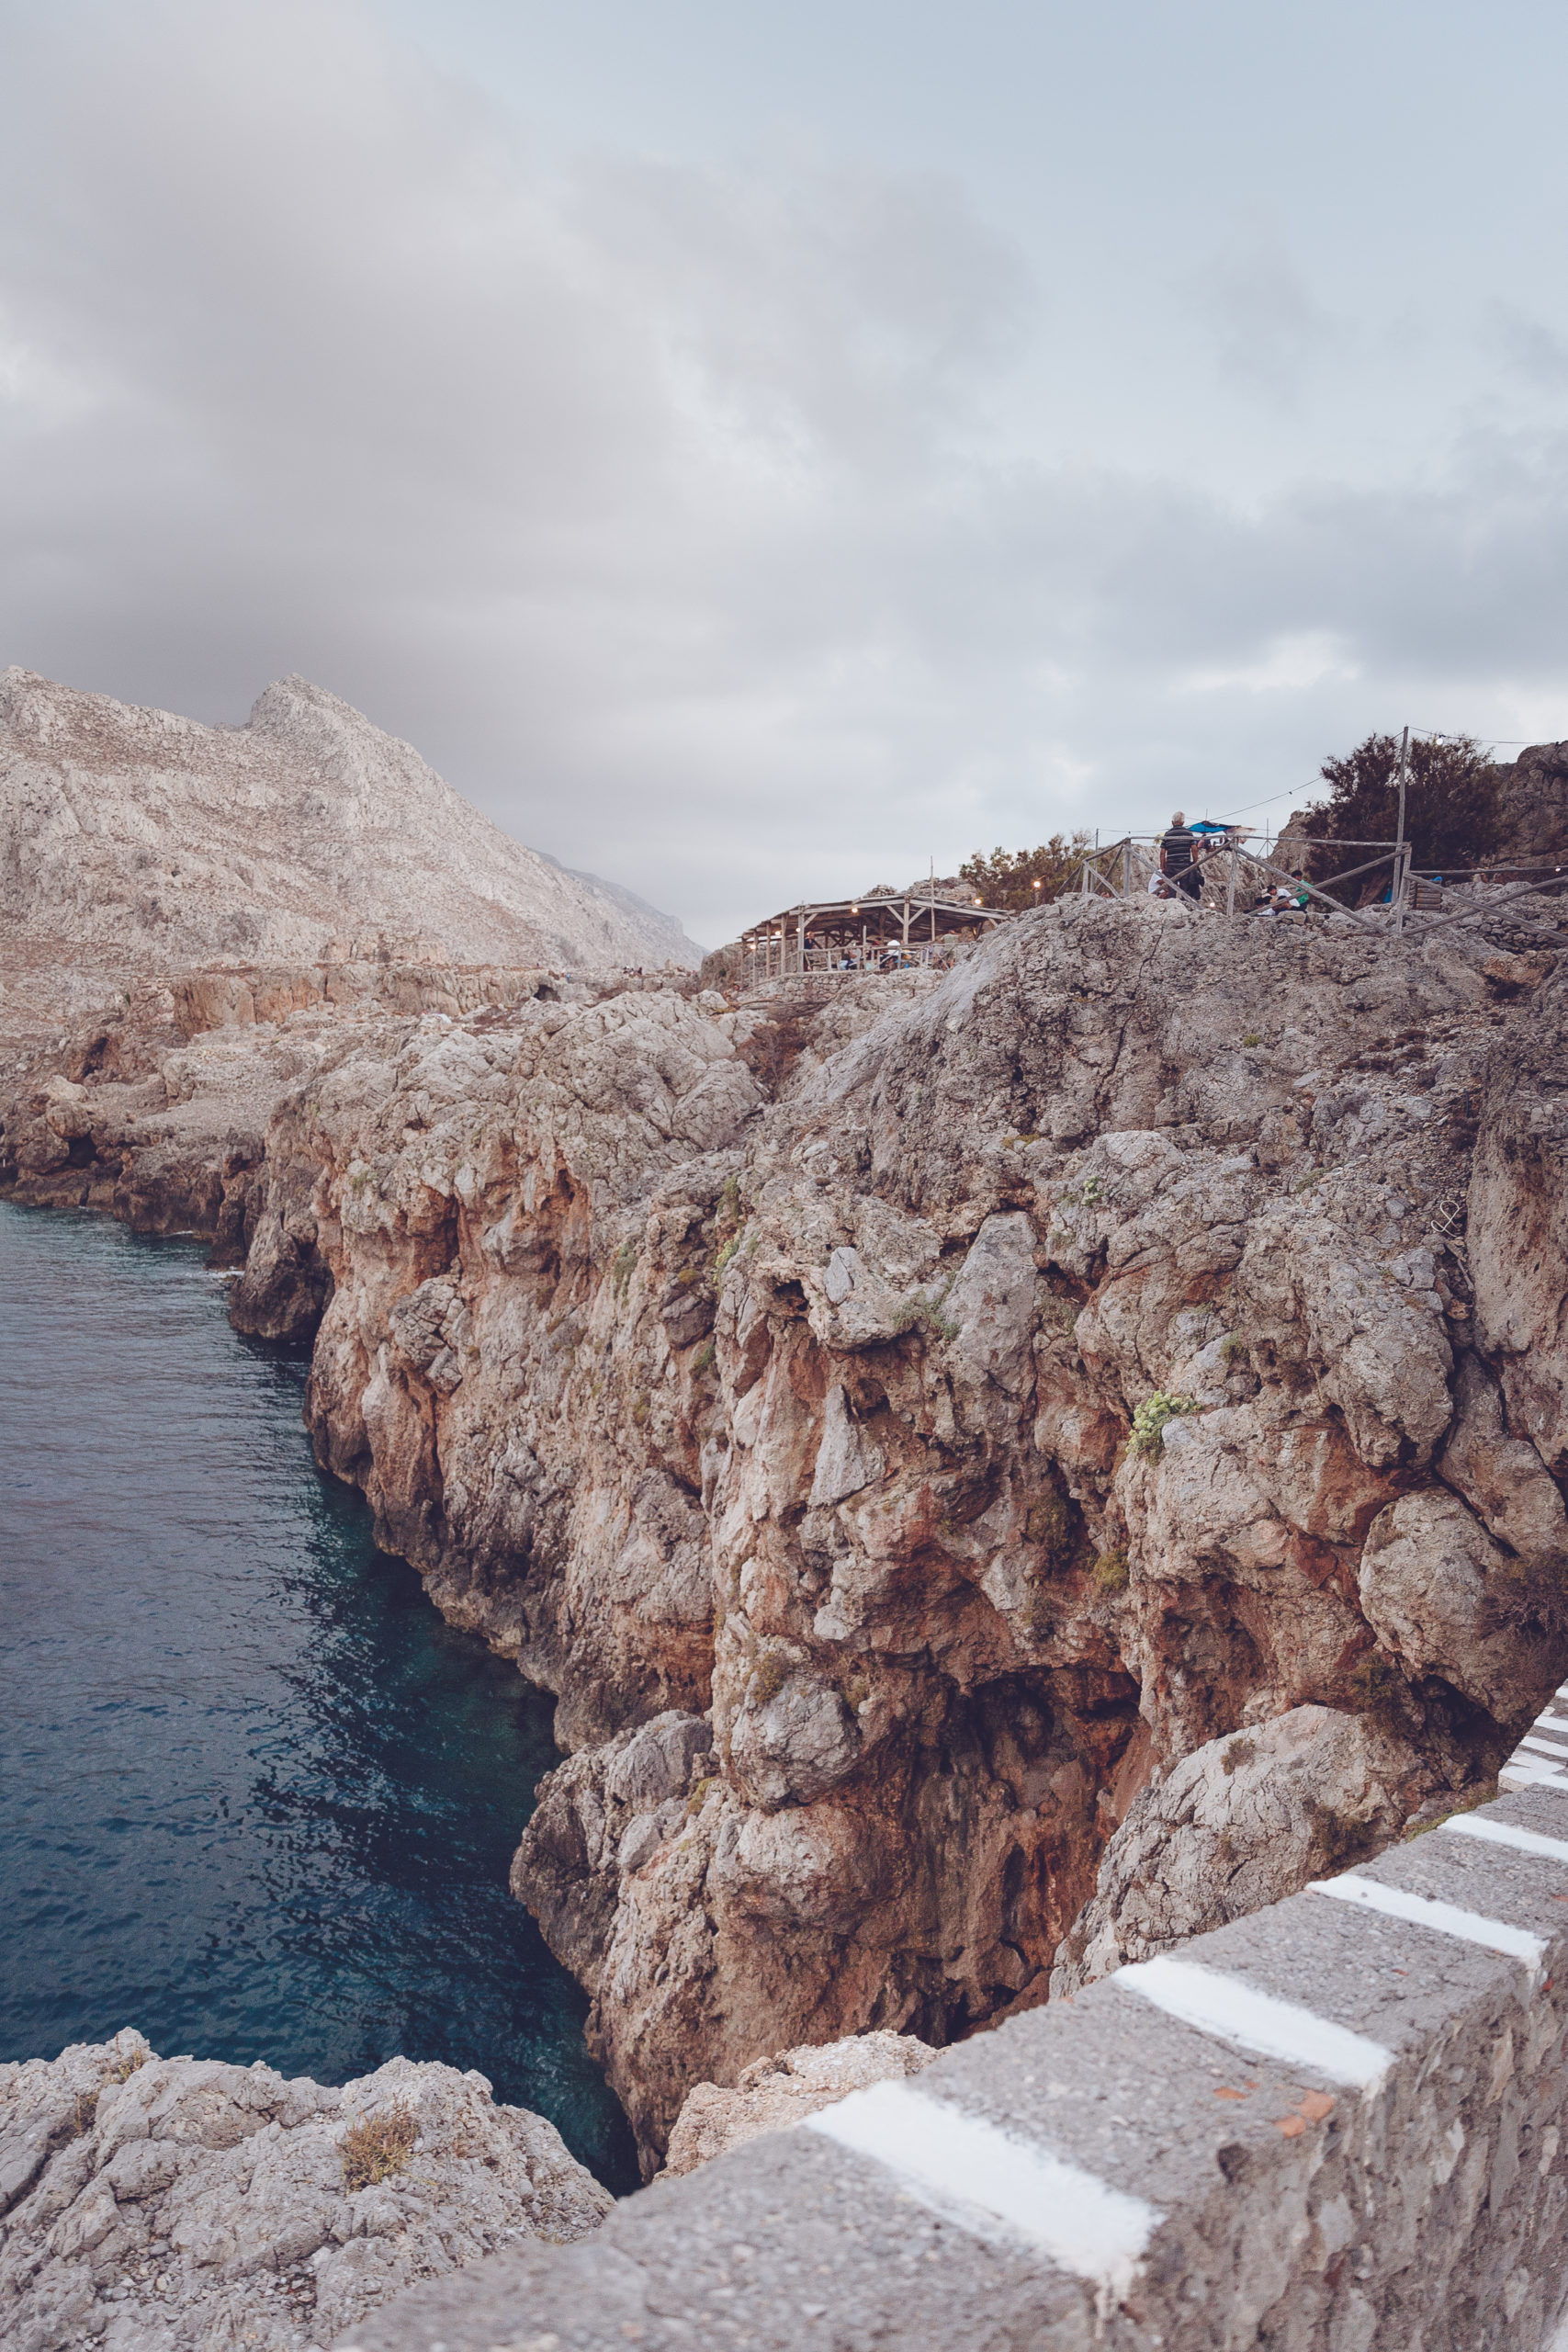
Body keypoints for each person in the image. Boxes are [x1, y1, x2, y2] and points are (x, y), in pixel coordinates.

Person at [1159, 811, 1202, 902]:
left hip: (1171, 866)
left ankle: (1172, 906)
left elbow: (1162, 852)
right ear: (1183, 823)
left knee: (1171, 889)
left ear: (1172, 822)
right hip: (1184, 865)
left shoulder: (1167, 834)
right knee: (1185, 889)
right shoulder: (1188, 833)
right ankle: (1185, 907)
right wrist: (1195, 863)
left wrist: (1162, 867)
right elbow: (1194, 849)